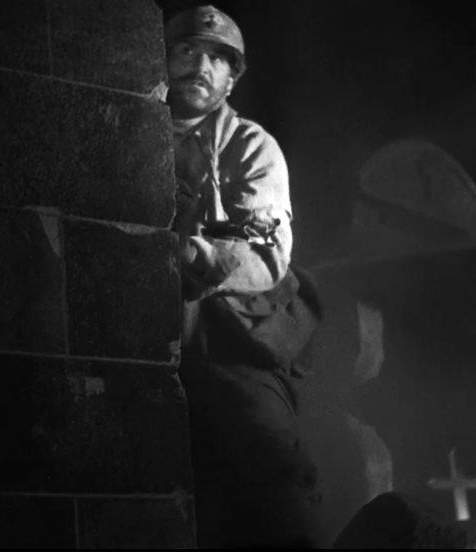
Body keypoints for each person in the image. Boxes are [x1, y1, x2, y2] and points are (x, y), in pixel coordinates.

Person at [163, 4, 323, 548]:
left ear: (232, 78)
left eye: (218, 59)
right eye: (187, 50)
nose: (201, 66)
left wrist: (190, 255)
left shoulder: (251, 146)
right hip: (146, 326)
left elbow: (265, 258)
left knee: (269, 458)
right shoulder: (127, 129)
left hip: (228, 338)